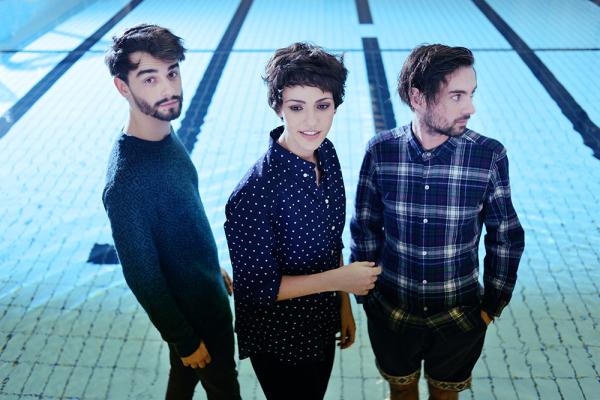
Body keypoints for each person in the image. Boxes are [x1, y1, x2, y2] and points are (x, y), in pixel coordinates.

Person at [350, 44, 525, 400]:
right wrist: (368, 298)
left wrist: (491, 307)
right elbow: (365, 228)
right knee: (401, 392)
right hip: (392, 312)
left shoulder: (488, 156)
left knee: (445, 396)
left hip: (460, 316)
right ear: (418, 97)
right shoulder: (381, 151)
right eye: (457, 96)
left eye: (471, 94)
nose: (470, 108)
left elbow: (506, 236)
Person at [224, 42, 381, 400]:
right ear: (278, 107)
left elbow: (331, 240)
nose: (312, 122)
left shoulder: (327, 153)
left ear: (335, 105)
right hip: (280, 340)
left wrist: (342, 305)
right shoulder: (253, 194)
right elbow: (257, 289)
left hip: (322, 321)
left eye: (322, 106)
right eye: (297, 107)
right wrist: (341, 281)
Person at [102, 24, 240, 400]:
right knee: (224, 388)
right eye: (150, 79)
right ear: (122, 87)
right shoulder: (126, 184)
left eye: (172, 73)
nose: (168, 89)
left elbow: (181, 220)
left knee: (182, 380)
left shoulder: (162, 131)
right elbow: (142, 276)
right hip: (195, 318)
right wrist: (184, 339)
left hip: (205, 293)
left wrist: (210, 267)